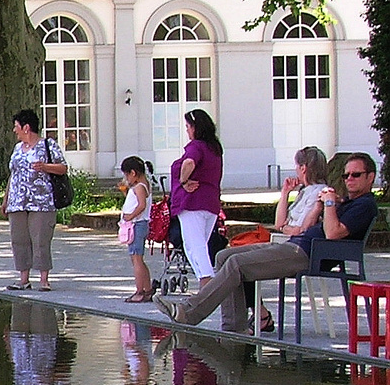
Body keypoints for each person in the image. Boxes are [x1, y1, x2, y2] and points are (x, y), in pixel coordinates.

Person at [155, 152, 380, 333]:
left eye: (356, 175)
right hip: (295, 244)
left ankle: (189, 312)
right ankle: (233, 328)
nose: (349, 179)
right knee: (224, 256)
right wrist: (325, 205)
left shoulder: (365, 205)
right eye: (346, 175)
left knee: (236, 265)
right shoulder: (346, 202)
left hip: (306, 254)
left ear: (371, 177)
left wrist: (330, 204)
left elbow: (332, 233)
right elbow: (292, 224)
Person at [251, 144, 329, 332]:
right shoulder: (304, 192)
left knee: (241, 264)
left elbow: (300, 229)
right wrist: (285, 193)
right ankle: (259, 312)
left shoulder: (320, 192)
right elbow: (280, 224)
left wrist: (286, 227)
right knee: (233, 258)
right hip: (286, 242)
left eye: (297, 166)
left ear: (303, 168)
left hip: (296, 248)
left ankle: (259, 315)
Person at [1, 109, 66, 291]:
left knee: (40, 239)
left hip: (41, 202)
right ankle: (23, 278)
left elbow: (63, 168)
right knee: (19, 239)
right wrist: (6, 199)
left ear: (26, 127)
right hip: (17, 201)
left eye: (16, 127)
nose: (15, 130)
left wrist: (45, 167)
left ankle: (44, 279)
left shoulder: (47, 145)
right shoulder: (17, 149)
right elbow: (13, 175)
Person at [170, 108, 224, 289]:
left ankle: (207, 281)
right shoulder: (214, 148)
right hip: (211, 203)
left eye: (188, 127)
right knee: (199, 245)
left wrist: (183, 180)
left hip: (193, 202)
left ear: (196, 127)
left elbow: (189, 162)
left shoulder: (196, 146)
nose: (187, 131)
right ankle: (205, 279)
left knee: (194, 245)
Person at [119, 157, 153, 302]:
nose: (126, 179)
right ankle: (147, 288)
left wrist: (130, 216)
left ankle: (139, 291)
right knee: (138, 258)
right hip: (139, 223)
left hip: (137, 224)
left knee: (136, 259)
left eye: (127, 175)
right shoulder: (142, 185)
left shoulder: (139, 187)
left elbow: (141, 205)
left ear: (133, 173)